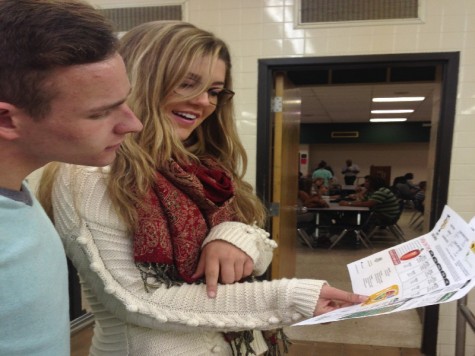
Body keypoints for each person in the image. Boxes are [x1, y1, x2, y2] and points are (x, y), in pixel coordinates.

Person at [39, 21, 366, 355]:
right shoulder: (91, 174)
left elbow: (260, 252)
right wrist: (289, 298)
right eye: (186, 83)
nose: (203, 102)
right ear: (139, 80)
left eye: (213, 91)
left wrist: (234, 234)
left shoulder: (202, 167)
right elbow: (135, 300)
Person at [0, 1, 143, 355]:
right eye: (100, 113)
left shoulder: (17, 199)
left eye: (123, 102)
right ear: (6, 120)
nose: (133, 124)